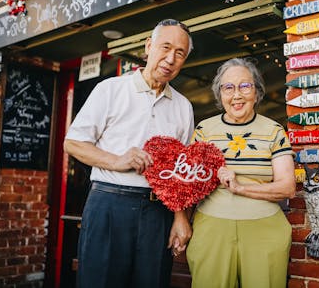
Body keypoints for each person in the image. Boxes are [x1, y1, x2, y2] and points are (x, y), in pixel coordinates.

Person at [64, 19, 194, 288]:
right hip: (109, 203)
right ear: (149, 46)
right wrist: (117, 160)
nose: (170, 58)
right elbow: (74, 143)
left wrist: (180, 218)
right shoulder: (111, 89)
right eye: (165, 47)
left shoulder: (184, 106)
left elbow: (181, 171)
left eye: (179, 53)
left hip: (159, 212)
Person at [186, 58, 296, 288]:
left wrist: (241, 188)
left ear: (257, 92)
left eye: (245, 86)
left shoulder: (274, 131)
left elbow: (287, 187)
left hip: (264, 230)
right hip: (212, 228)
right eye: (228, 87)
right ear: (220, 95)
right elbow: (188, 184)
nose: (237, 95)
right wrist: (181, 221)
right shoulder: (204, 131)